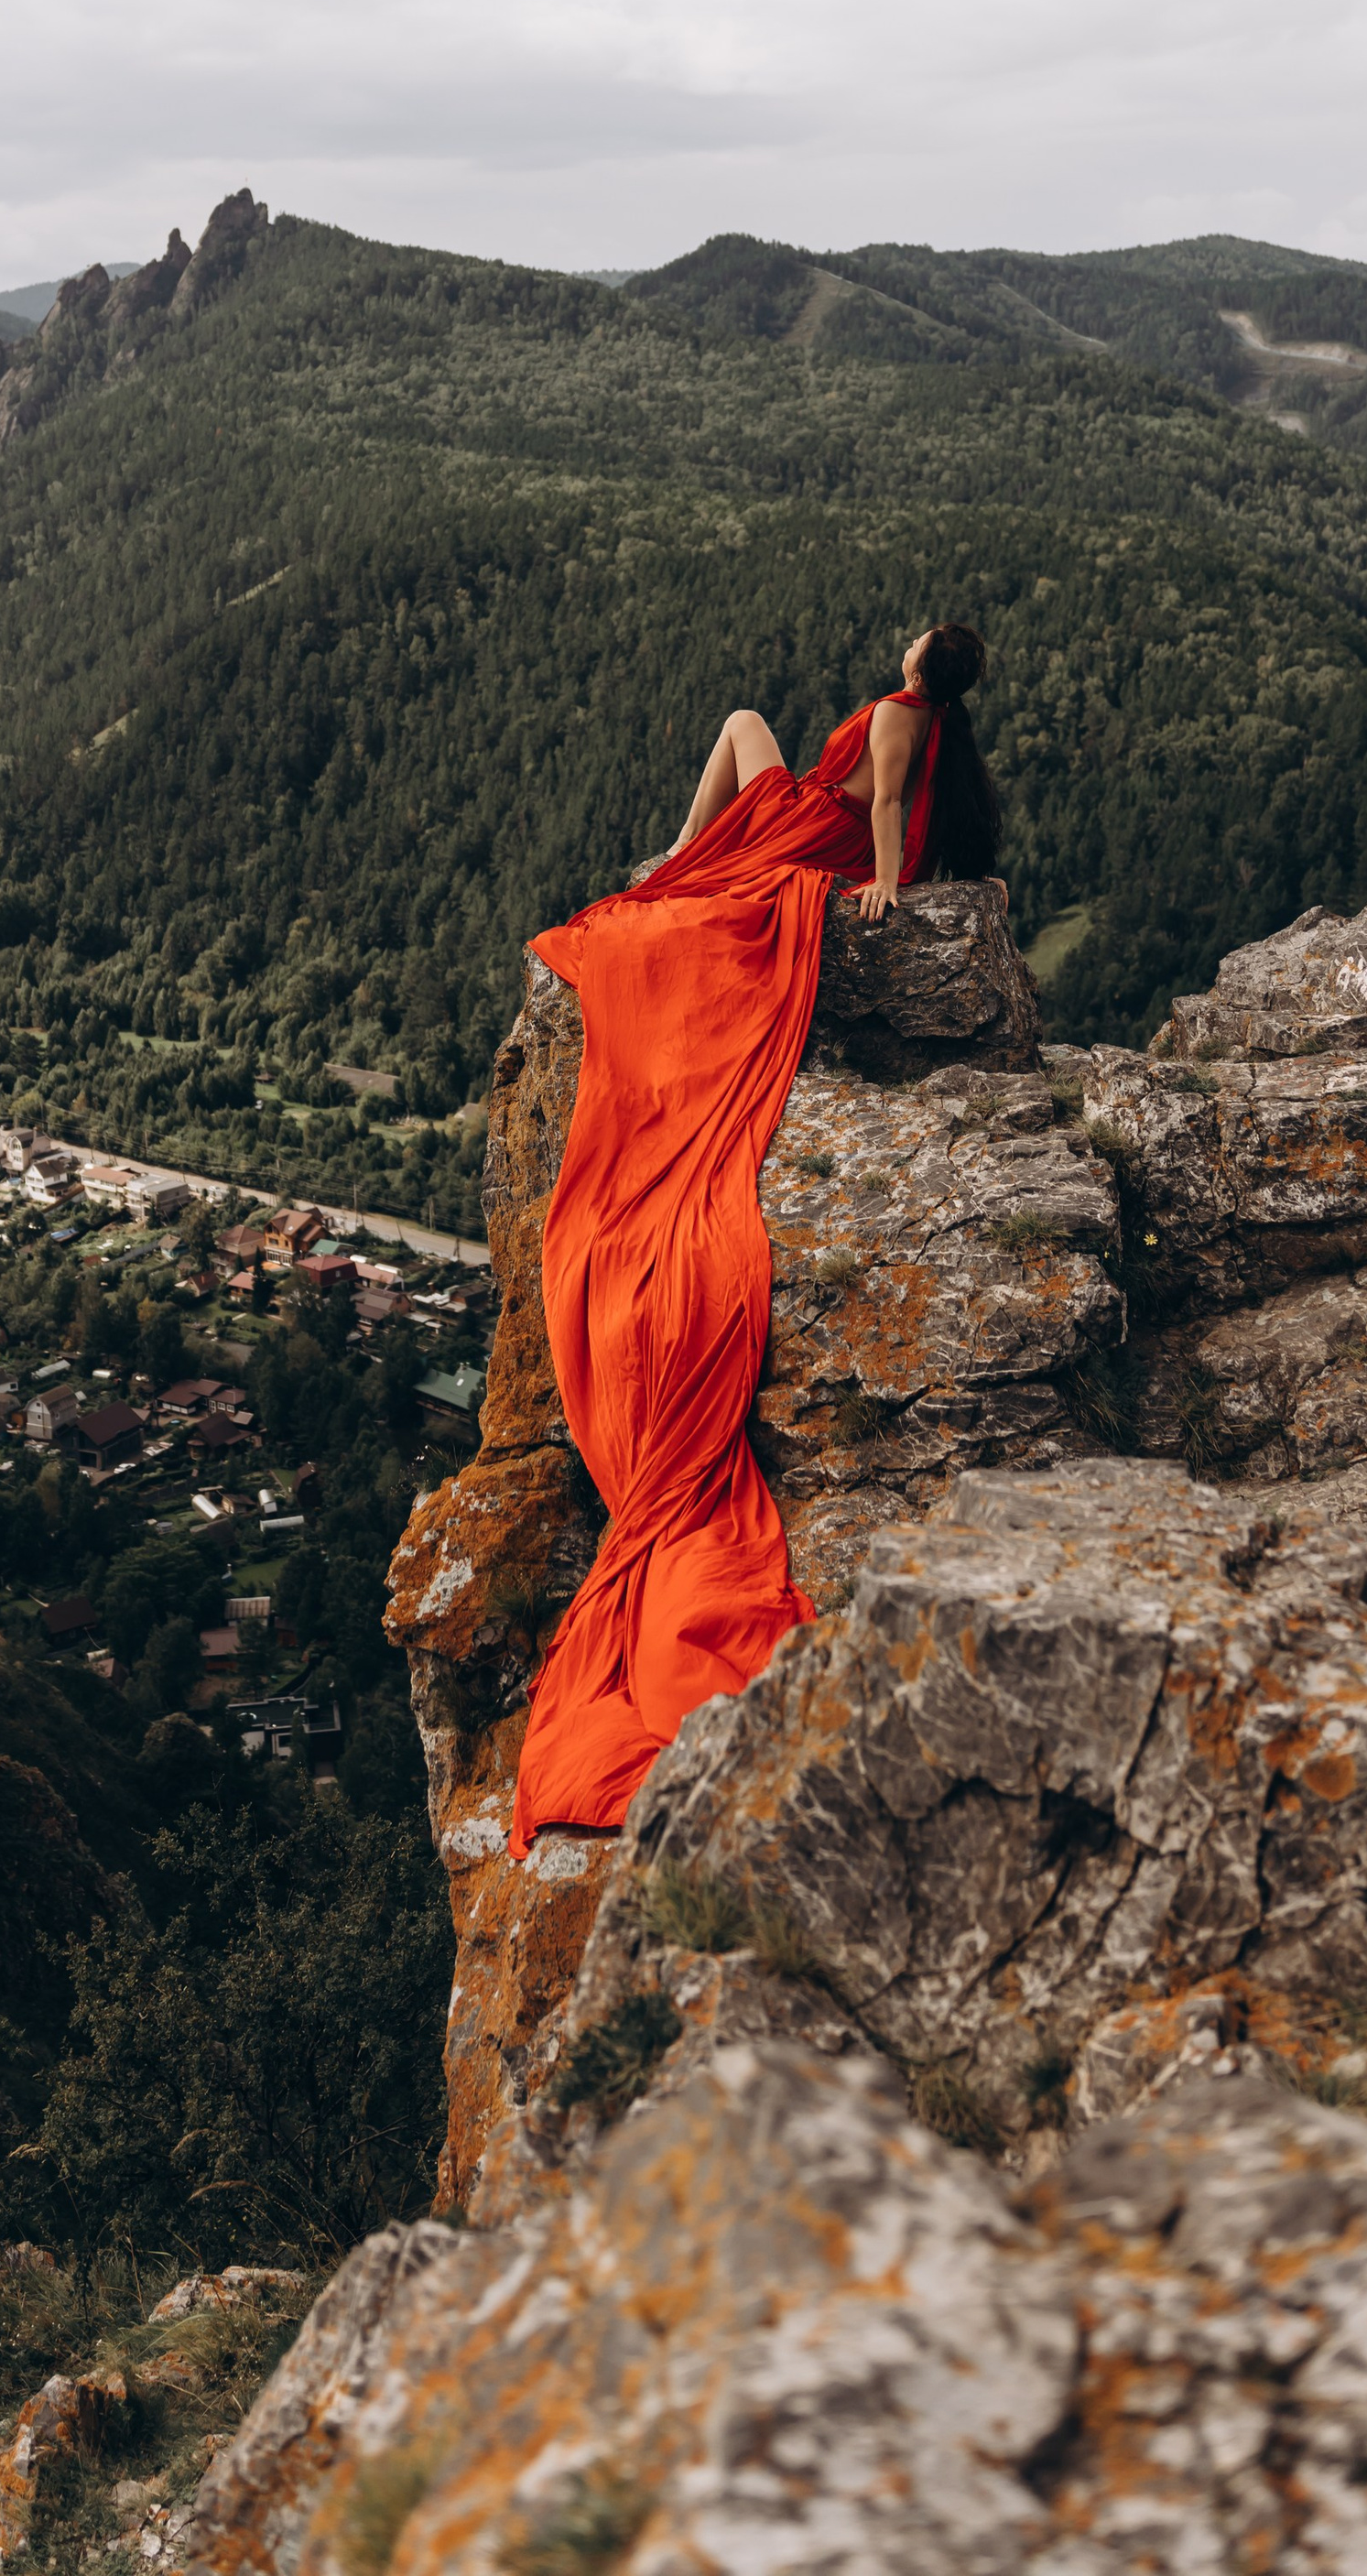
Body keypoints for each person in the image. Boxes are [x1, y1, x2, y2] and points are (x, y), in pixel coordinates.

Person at [509, 622, 999, 1855]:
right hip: (820, 831)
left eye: (918, 635)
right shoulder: (939, 723)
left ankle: (687, 853)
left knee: (738, 724)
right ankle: (693, 851)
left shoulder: (899, 717)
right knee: (742, 732)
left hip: (814, 841)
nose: (905, 635)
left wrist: (878, 888)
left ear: (922, 659)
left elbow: (883, 804)